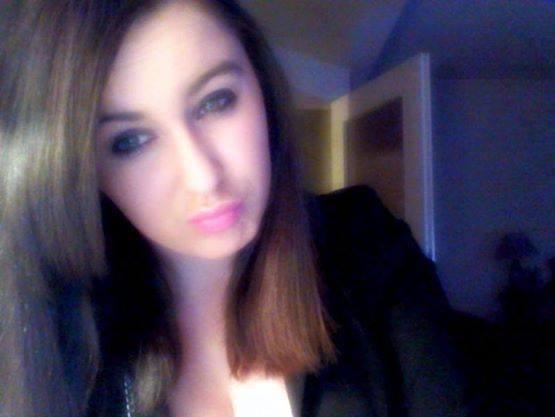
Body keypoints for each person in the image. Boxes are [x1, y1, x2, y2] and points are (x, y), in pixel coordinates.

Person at [0, 1, 467, 416]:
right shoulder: (69, 351)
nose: (203, 176)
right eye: (131, 141)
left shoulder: (366, 251)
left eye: (216, 101)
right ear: (85, 174)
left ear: (261, 86)